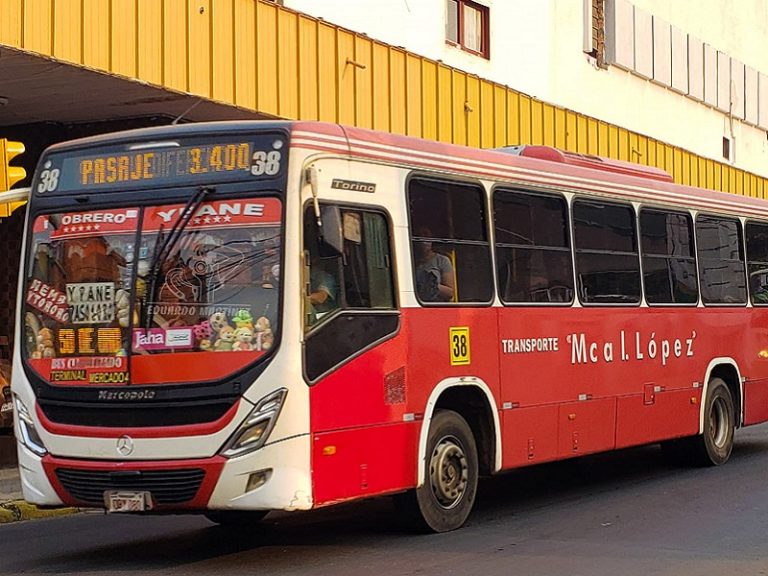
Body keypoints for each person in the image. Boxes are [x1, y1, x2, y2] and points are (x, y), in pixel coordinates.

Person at [414, 229, 455, 302]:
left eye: (427, 237)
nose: (424, 242)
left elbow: (450, 293)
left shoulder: (442, 260)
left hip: (436, 306)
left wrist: (432, 285)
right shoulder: (411, 261)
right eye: (419, 238)